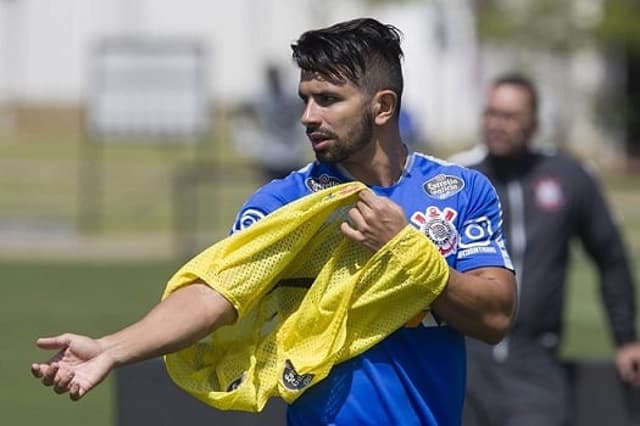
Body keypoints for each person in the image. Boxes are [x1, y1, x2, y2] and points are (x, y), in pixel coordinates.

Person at [31, 18, 516, 425]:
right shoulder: (285, 201)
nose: (307, 115)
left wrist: (408, 252)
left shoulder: (460, 190)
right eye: (305, 97)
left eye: (327, 99)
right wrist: (111, 349)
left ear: (382, 106)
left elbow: (494, 317)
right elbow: (213, 293)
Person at [452, 73, 640, 426]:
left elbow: (610, 257)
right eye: (491, 114)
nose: (497, 124)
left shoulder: (569, 176)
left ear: (534, 124)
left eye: (509, 117)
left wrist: (626, 338)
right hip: (465, 357)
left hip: (536, 361)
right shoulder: (459, 176)